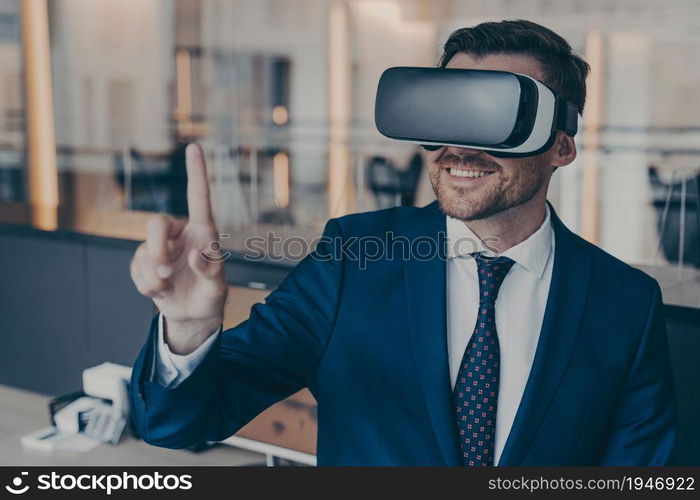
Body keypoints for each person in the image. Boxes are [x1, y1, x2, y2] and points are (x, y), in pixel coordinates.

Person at [128, 20, 677, 466]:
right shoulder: (352, 259)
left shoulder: (625, 301)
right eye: (446, 114)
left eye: (495, 120)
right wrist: (189, 329)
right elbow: (179, 424)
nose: (460, 149)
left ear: (561, 146)